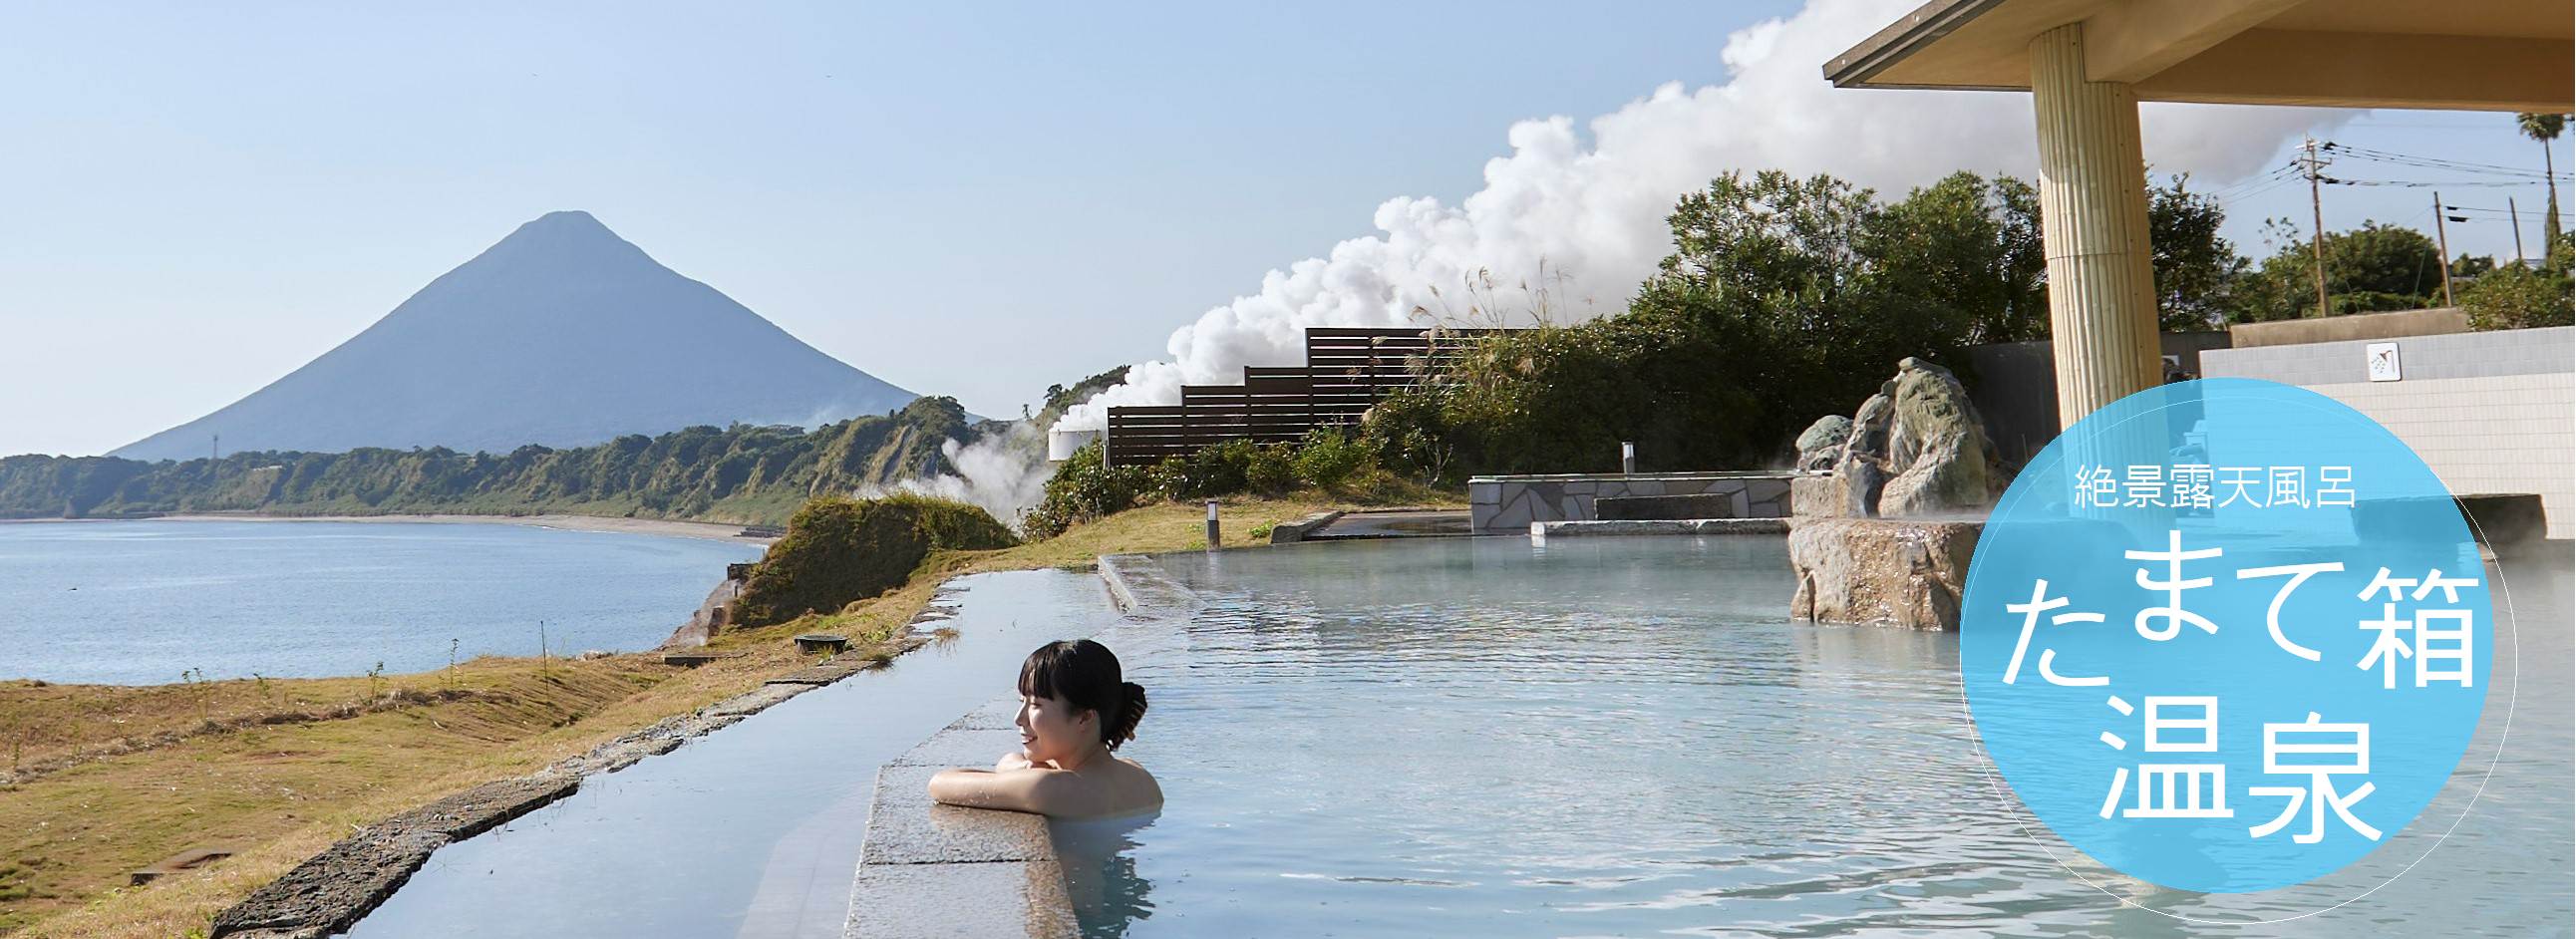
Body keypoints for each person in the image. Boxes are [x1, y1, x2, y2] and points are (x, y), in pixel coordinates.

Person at [928, 639, 1162, 819]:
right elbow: (1009, 762)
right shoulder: (1139, 776)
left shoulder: (1052, 788)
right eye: (1022, 702)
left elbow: (939, 784)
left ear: (1084, 718)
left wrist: (1025, 769)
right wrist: (1025, 766)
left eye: (1036, 705)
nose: (1019, 719)